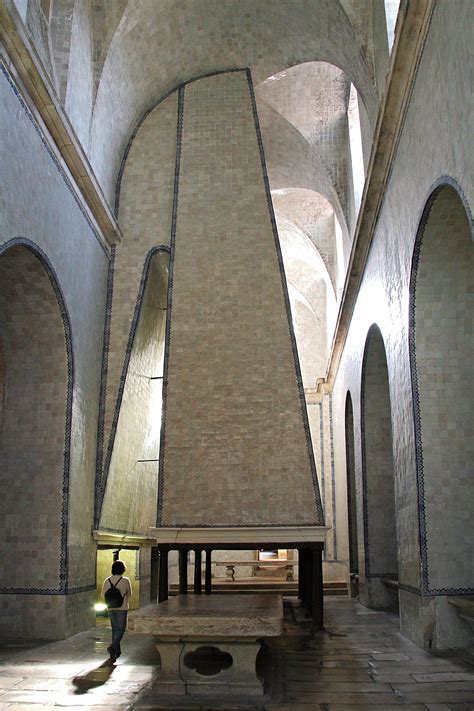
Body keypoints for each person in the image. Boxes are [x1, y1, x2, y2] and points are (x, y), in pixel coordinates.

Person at [101, 560, 132, 663]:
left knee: (115, 629)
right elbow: (129, 594)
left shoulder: (107, 581)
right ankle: (113, 647)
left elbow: (103, 595)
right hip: (122, 608)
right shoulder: (125, 580)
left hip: (111, 608)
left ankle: (116, 652)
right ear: (123, 570)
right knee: (121, 630)